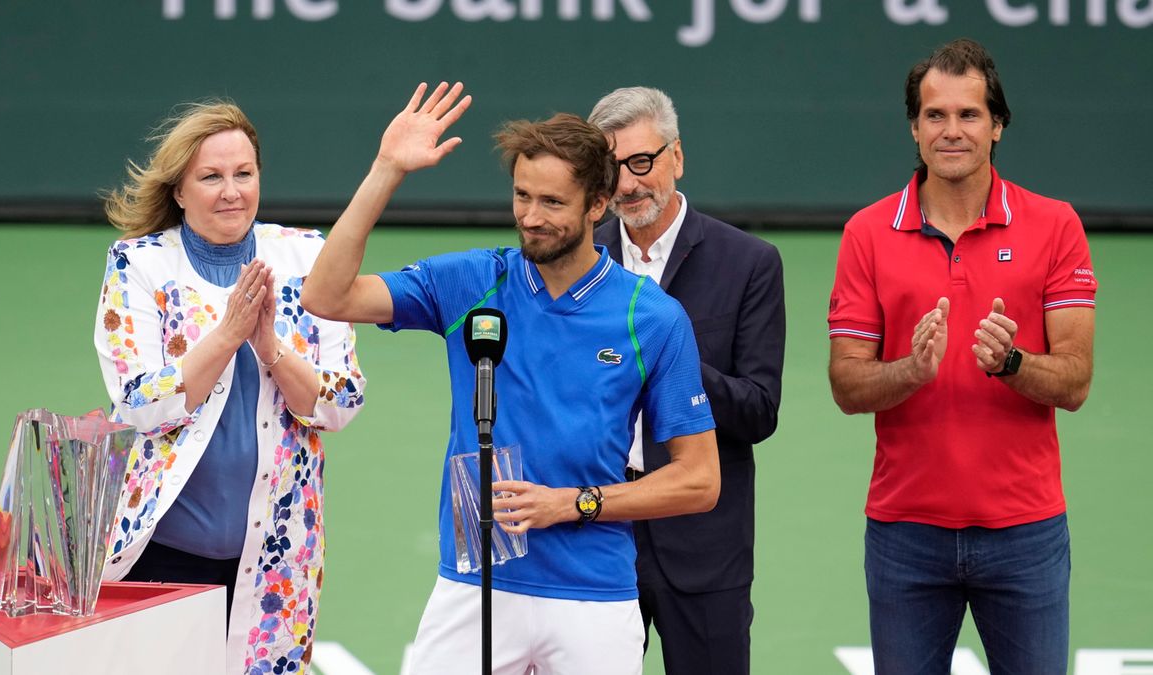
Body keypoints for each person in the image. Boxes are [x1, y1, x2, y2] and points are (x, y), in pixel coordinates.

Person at [300, 82, 720, 674]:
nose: (530, 216)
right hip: (474, 582)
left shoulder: (650, 317)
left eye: (552, 202)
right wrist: (387, 169)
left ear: (597, 204)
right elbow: (327, 294)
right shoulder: (472, 281)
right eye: (522, 196)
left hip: (594, 597)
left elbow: (700, 480)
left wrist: (572, 503)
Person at [827, 39, 1097, 674]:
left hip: (1025, 532)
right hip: (904, 536)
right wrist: (909, 371)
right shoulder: (866, 233)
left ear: (997, 125)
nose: (952, 131)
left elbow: (1077, 380)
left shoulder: (1056, 225)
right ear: (914, 128)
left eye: (969, 115)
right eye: (935, 115)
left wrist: (1013, 364)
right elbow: (846, 384)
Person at [94, 100, 366, 675]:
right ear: (179, 191)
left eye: (244, 174)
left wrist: (270, 347)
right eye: (211, 177)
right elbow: (139, 402)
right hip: (161, 550)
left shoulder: (305, 255)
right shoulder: (139, 264)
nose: (231, 192)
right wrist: (227, 337)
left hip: (278, 554)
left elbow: (340, 403)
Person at [589, 86, 785, 674]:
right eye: (612, 167)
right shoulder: (576, 259)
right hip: (593, 534)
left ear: (678, 156)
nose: (628, 184)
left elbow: (758, 411)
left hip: (704, 546)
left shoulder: (748, 263)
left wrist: (674, 360)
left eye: (642, 162)